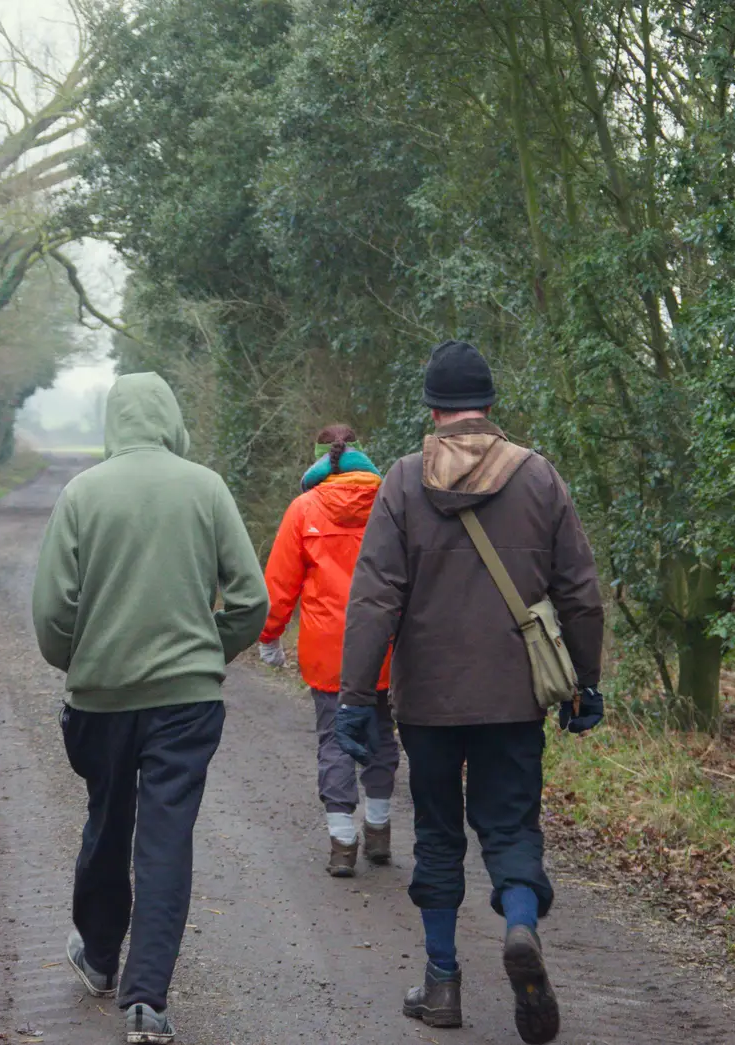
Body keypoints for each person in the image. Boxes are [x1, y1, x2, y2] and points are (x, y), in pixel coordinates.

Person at [336, 340, 605, 1044]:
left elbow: (373, 598)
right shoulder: (539, 477)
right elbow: (580, 593)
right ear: (489, 404)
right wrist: (585, 682)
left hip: (427, 701)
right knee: (510, 826)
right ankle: (520, 928)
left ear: (433, 409)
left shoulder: (402, 481)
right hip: (514, 697)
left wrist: (356, 697)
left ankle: (442, 982)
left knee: (436, 834)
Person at [32, 373, 267, 1045]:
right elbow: (250, 599)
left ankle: (99, 956)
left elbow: (51, 611)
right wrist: (208, 650)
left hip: (100, 698)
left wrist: (81, 661)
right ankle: (146, 1002)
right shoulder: (206, 487)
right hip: (186, 701)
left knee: (108, 819)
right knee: (166, 840)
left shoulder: (83, 493)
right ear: (171, 420)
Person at [256, 424, 397, 878]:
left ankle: (342, 843)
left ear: (319, 458)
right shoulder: (391, 503)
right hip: (386, 647)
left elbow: (280, 583)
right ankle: (379, 830)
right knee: (381, 735)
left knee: (335, 742)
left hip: (328, 652)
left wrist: (269, 636)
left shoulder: (304, 509)